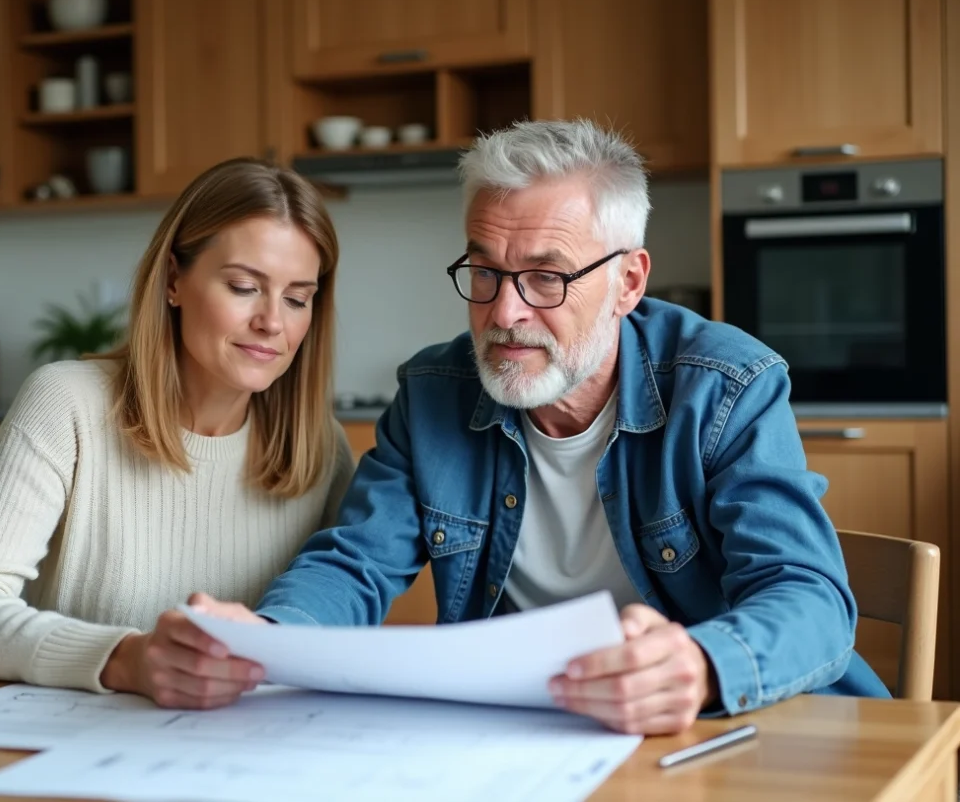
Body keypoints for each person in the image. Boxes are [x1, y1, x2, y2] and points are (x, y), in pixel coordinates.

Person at [185, 120, 892, 734]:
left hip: (733, 731)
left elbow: (809, 597)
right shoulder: (433, 394)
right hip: (527, 739)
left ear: (629, 282)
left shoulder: (725, 387)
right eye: (485, 272)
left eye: (546, 277)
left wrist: (701, 664)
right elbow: (354, 564)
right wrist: (270, 640)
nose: (504, 313)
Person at [0, 157, 355, 710]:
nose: (273, 321)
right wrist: (124, 658)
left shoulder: (321, 448)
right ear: (174, 280)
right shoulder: (67, 404)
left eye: (297, 298)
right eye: (244, 287)